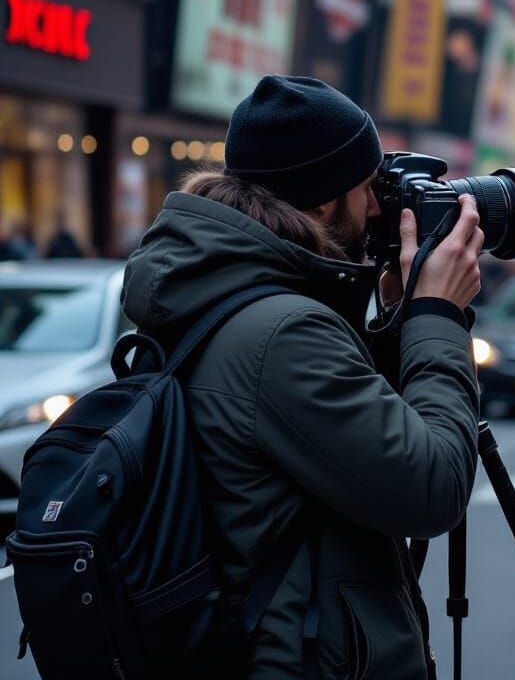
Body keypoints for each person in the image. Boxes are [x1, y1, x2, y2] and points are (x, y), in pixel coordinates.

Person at [121, 75, 483, 679]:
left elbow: (342, 445)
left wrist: (397, 321)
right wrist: (437, 315)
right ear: (319, 201)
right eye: (367, 188)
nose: (376, 209)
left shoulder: (220, 294)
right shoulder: (281, 332)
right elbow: (431, 487)